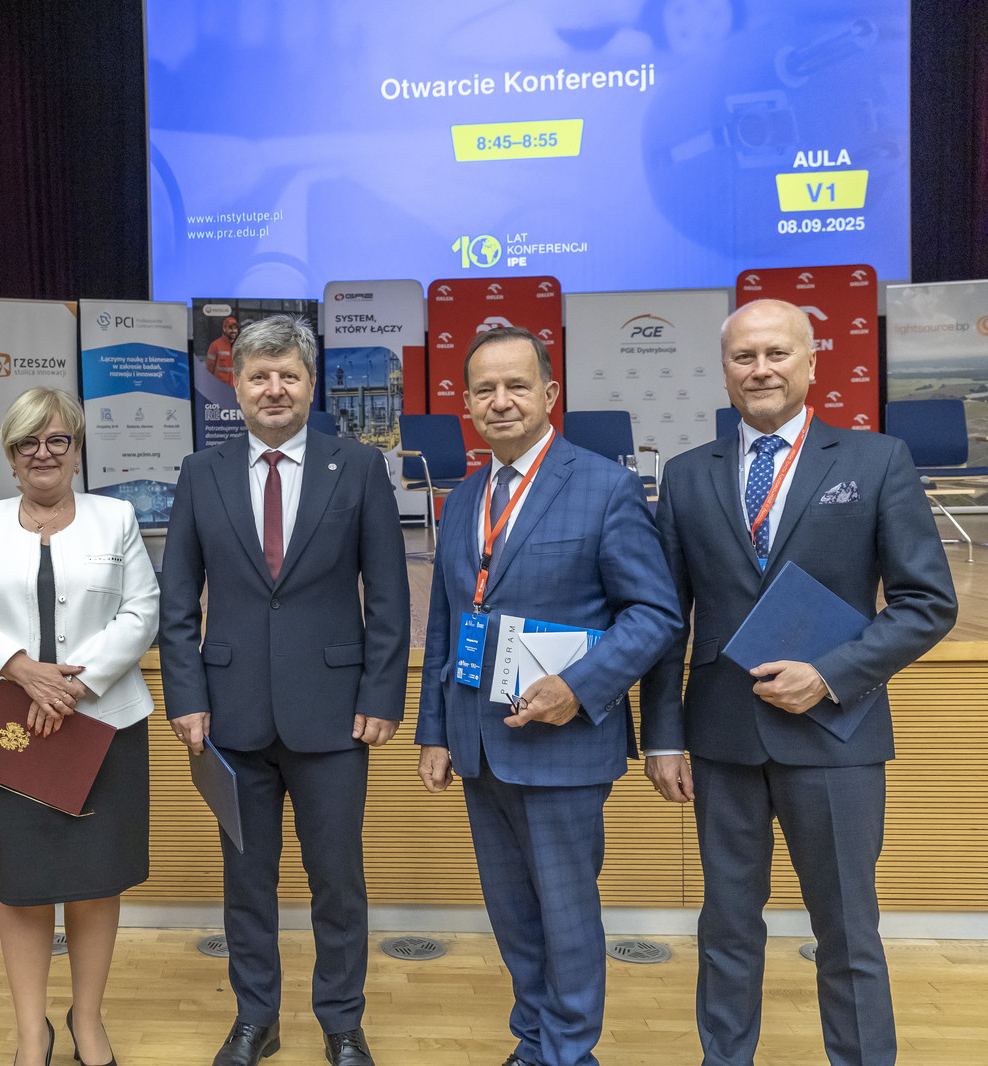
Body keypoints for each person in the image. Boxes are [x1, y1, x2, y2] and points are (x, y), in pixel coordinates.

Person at [640, 299, 957, 1066]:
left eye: (777, 353)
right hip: (721, 740)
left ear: (812, 362)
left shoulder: (876, 461)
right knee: (726, 928)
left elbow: (927, 602)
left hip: (836, 737)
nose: (761, 370)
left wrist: (830, 674)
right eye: (744, 356)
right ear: (724, 370)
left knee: (847, 931)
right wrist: (662, 737)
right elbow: (666, 619)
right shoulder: (685, 475)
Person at [415, 326, 682, 1066]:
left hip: (563, 743)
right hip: (478, 741)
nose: (501, 401)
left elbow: (655, 614)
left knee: (564, 916)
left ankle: (567, 1052)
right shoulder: (463, 498)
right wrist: (434, 730)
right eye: (485, 390)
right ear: (467, 403)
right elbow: (448, 620)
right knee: (514, 915)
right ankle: (533, 1042)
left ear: (550, 394)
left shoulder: (605, 486)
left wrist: (579, 686)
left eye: (517, 385)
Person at [160, 315, 410, 1066]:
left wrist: (381, 695)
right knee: (247, 882)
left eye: (288, 375)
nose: (274, 389)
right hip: (229, 717)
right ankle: (255, 1019)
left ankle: (341, 1022)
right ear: (236, 388)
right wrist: (186, 695)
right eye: (259, 376)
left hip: (334, 717)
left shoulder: (357, 468)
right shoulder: (200, 473)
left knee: (338, 882)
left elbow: (388, 597)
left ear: (311, 384)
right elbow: (178, 603)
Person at [0, 387, 159, 1066]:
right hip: (10, 733)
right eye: (27, 442)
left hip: (104, 727)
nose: (43, 453)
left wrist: (73, 685)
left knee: (97, 883)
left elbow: (142, 612)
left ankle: (87, 1022)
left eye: (57, 439)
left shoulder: (116, 518)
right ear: (10, 456)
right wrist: (20, 668)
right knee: (23, 886)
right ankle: (31, 1032)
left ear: (77, 449)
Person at [206, 315, 239, 387]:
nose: (233, 331)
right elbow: (209, 369)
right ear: (224, 328)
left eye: (235, 328)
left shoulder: (240, 346)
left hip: (236, 388)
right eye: (230, 328)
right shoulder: (215, 345)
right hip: (220, 387)